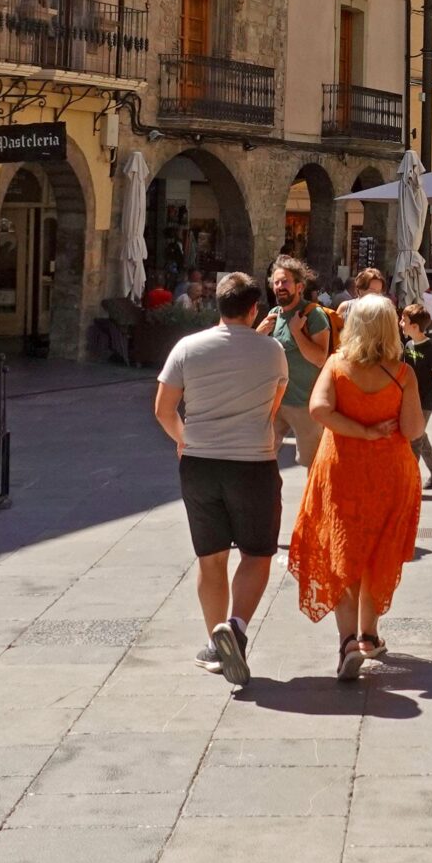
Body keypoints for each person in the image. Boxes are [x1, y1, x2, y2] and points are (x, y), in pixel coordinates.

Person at [152, 270, 286, 688]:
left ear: (218, 306)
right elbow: (273, 406)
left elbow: (163, 409)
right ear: (254, 309)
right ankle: (237, 629)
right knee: (257, 553)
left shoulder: (187, 347)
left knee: (210, 558)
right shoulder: (273, 351)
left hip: (200, 463)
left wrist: (183, 438)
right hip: (253, 463)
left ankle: (215, 642)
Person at [285, 296, 424, 680]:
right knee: (378, 553)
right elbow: (413, 429)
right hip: (389, 474)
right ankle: (368, 635)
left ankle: (348, 641)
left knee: (343, 551)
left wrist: (359, 430)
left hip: (342, 470)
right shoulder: (403, 373)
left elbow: (319, 410)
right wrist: (377, 428)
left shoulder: (336, 365)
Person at [256, 256, 337, 467]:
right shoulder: (274, 314)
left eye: (285, 281)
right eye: (276, 282)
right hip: (276, 400)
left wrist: (297, 332)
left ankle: (314, 492)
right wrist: (258, 335)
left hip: (305, 404)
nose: (279, 286)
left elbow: (319, 359)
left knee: (312, 463)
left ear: (299, 286)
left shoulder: (313, 315)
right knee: (261, 455)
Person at [399, 304, 432, 492]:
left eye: (404, 320)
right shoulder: (408, 345)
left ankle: (409, 481)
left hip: (424, 401)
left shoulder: (429, 349)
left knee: (415, 439)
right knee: (420, 435)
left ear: (414, 326)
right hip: (410, 400)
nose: (401, 323)